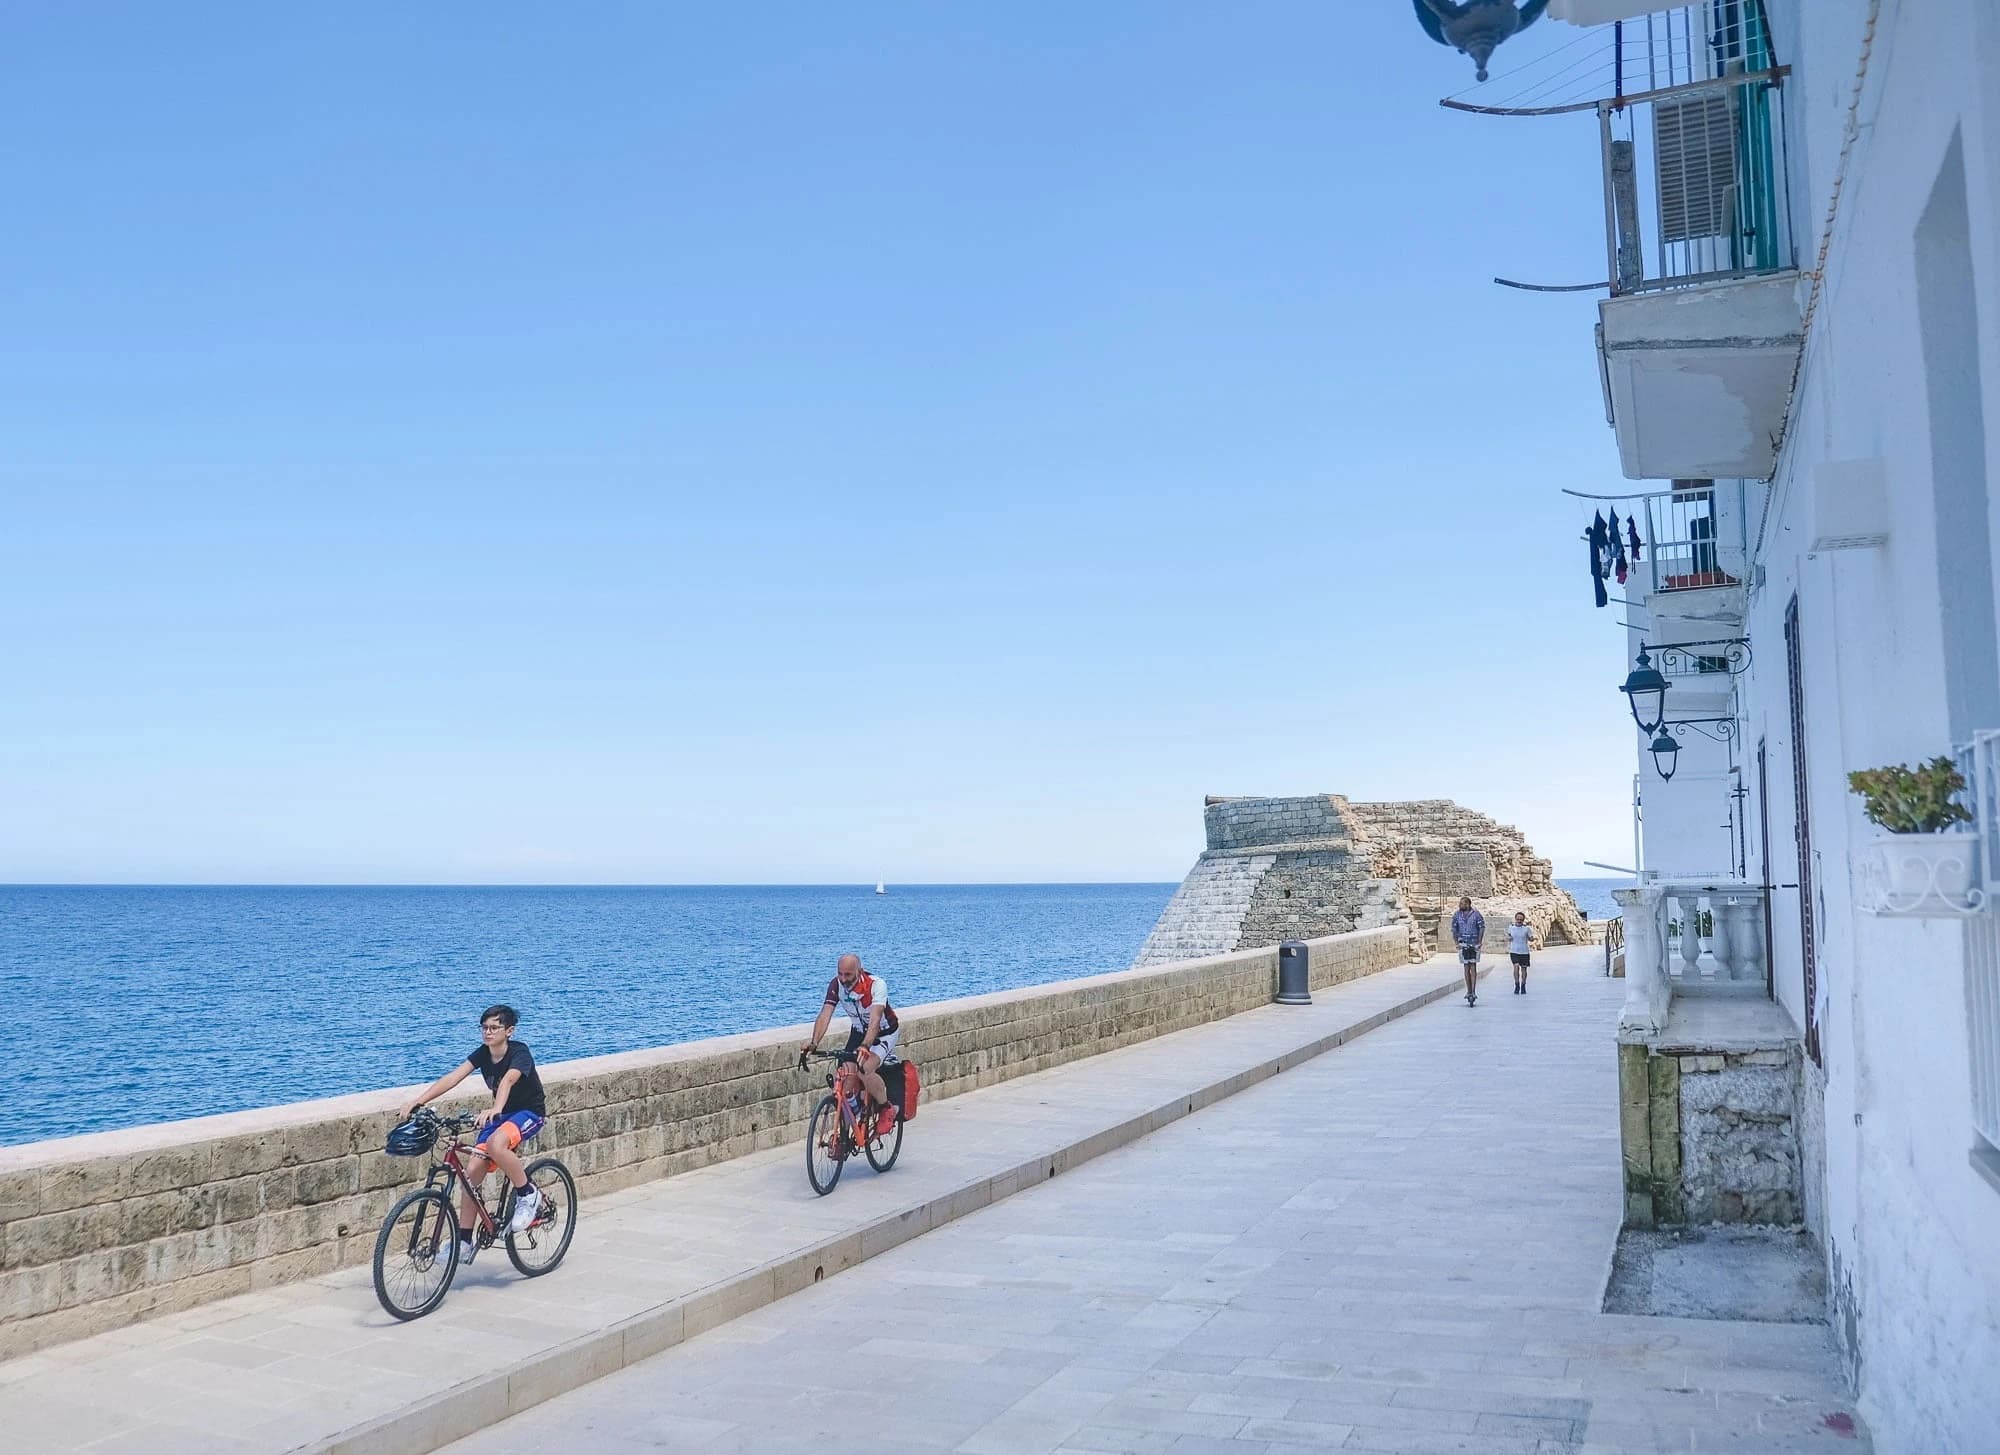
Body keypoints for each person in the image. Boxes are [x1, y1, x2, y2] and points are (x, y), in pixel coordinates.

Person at [398, 1004, 548, 1260]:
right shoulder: (483, 1054)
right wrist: (418, 1101)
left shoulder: (519, 1052)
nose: (488, 1033)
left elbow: (509, 1080)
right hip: (500, 1115)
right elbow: (454, 1077)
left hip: (528, 1112)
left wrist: (496, 1107)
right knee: (470, 1176)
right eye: (484, 1028)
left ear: (509, 1031)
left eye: (494, 1028)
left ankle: (528, 1194)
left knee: (496, 1143)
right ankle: (465, 1242)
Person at [802, 953, 899, 1129]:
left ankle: (886, 1108)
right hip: (859, 1031)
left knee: (864, 1070)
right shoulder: (836, 985)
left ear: (859, 971)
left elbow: (875, 1020)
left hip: (884, 1032)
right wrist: (814, 1042)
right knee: (846, 1073)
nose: (843, 979)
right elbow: (825, 1014)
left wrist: (865, 1046)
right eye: (840, 973)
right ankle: (848, 1128)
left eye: (848, 975)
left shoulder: (876, 985)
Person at [1451, 896, 1486, 1006]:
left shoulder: (1476, 914)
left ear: (1468, 904)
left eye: (1462, 903)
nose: (1459, 905)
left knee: (1473, 966)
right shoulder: (1457, 915)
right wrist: (1456, 942)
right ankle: (1468, 990)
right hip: (1463, 942)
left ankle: (1473, 990)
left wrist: (1479, 941)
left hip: (1474, 942)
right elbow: (1454, 928)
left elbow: (1481, 927)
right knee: (1466, 967)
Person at [1507, 911, 1538, 994]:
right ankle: (1517, 985)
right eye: (1518, 919)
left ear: (1523, 920)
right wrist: (1509, 938)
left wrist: (1532, 938)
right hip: (1514, 951)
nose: (1519, 921)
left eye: (1521, 919)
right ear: (1515, 919)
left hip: (1524, 951)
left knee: (1524, 969)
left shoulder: (1526, 929)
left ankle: (1523, 985)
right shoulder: (1511, 928)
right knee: (1516, 967)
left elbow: (1530, 938)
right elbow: (1508, 936)